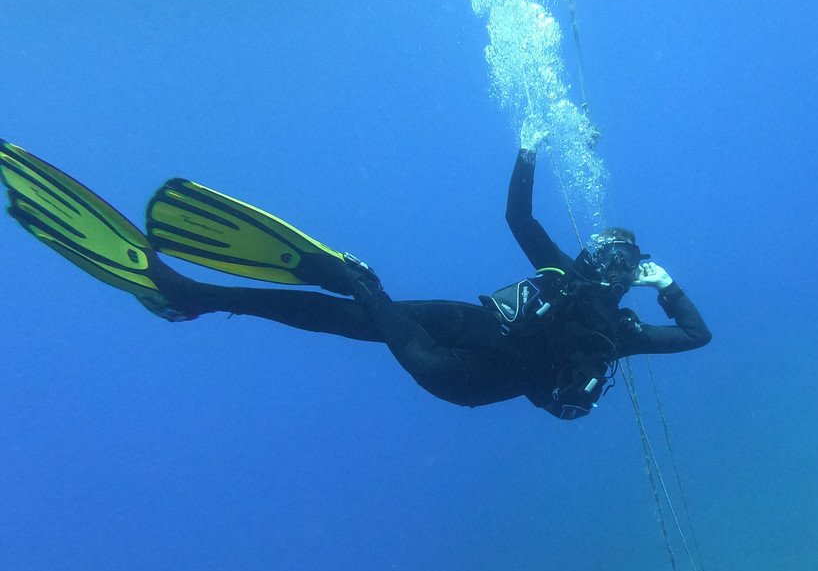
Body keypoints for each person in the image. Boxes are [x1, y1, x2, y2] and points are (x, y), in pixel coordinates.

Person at [0, 135, 710, 419]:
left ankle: (353, 285)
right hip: (471, 323)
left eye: (620, 260)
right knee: (354, 316)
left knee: (385, 318)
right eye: (604, 249)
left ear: (629, 273)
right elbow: (517, 216)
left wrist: (667, 284)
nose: (604, 260)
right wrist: (528, 147)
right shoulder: (560, 270)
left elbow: (697, 336)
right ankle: (193, 296)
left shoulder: (620, 330)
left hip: (471, 375)